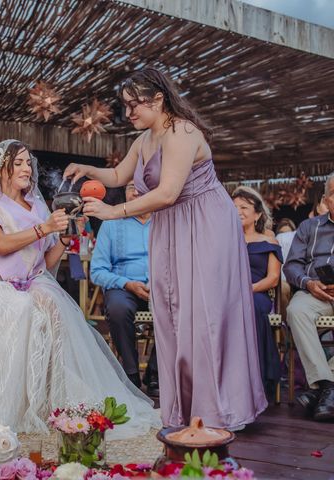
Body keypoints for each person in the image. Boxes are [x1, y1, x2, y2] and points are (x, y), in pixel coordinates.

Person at [63, 67, 267, 430]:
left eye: (133, 105)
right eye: (125, 107)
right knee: (171, 313)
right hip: (171, 226)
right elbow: (118, 177)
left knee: (202, 314)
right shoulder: (144, 140)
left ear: (158, 98)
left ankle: (217, 409)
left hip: (204, 224)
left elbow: (169, 192)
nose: (129, 114)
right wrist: (87, 169)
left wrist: (113, 212)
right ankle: (184, 409)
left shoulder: (183, 133)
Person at [0, 139, 160, 439]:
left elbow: (45, 260)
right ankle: (8, 408)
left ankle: (52, 400)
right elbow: (2, 245)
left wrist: (65, 238)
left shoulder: (36, 205)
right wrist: (44, 228)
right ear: (0, 168)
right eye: (17, 162)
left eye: (27, 163)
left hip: (30, 281)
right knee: (22, 309)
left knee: (56, 309)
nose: (25, 168)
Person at [90, 180, 158, 396]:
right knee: (118, 308)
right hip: (123, 286)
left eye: (142, 186)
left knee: (182, 309)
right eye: (131, 187)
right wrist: (127, 283)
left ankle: (156, 374)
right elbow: (97, 271)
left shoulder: (166, 222)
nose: (136, 191)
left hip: (160, 287)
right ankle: (131, 375)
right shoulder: (112, 223)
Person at [283, 172, 334, 421]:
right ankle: (328, 387)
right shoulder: (308, 227)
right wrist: (309, 283)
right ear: (326, 199)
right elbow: (291, 266)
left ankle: (323, 388)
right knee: (295, 310)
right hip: (315, 292)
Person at [232, 186, 282, 395]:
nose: (238, 211)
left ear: (258, 214)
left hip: (256, 294)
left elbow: (273, 279)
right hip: (227, 294)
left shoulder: (268, 241)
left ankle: (254, 380)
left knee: (248, 307)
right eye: (234, 207)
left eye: (244, 207)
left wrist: (247, 289)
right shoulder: (222, 240)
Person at [275, 218, 297, 320]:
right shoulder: (276, 242)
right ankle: (284, 330)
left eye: (289, 234)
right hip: (283, 282)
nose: (285, 238)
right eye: (282, 234)